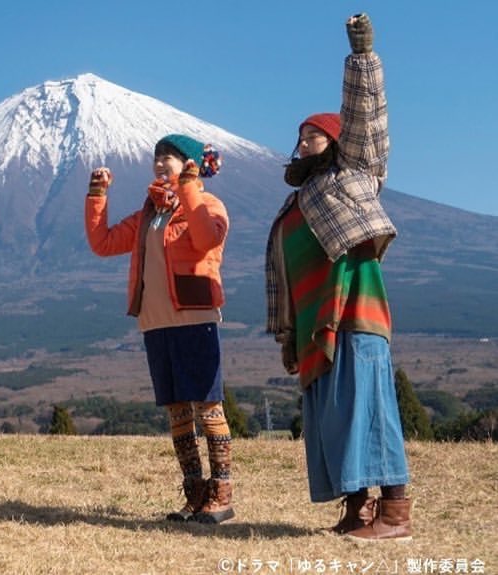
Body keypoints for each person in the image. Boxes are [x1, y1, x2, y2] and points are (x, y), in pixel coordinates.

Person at [265, 13, 411, 541]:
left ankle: (394, 511)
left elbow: (365, 118)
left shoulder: (355, 173)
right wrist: (287, 335)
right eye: (300, 135)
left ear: (337, 141)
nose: (304, 140)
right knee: (334, 414)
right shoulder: (293, 206)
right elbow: (283, 278)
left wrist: (362, 55)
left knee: (368, 404)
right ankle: (356, 510)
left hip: (356, 310)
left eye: (315, 135)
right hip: (314, 325)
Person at [85, 134, 234, 524]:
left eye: (168, 156)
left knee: (207, 405)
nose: (159, 162)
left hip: (194, 319)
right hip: (155, 322)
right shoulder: (149, 213)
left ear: (190, 165)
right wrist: (97, 194)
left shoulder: (209, 205)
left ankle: (222, 493)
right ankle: (194, 493)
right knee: (176, 411)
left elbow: (205, 240)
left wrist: (188, 191)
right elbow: (102, 243)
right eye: (156, 156)